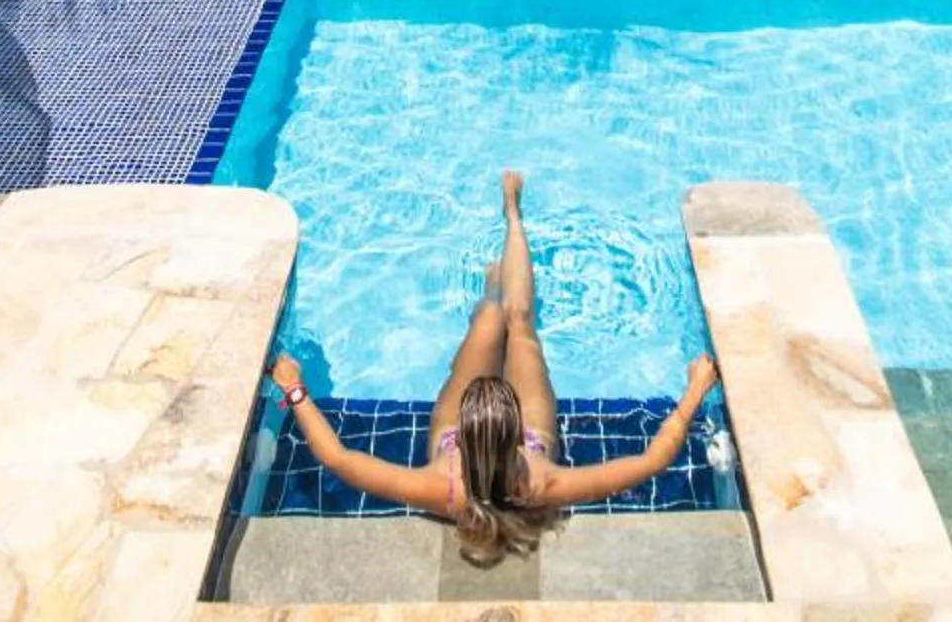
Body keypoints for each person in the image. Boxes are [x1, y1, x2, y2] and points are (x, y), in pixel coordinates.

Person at [265, 171, 720, 566]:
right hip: (536, 433)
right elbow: (652, 461)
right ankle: (513, 219)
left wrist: (296, 390)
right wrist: (696, 390)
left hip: (466, 441)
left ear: (462, 429)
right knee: (518, 321)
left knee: (489, 318)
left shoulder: (439, 487)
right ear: (514, 431)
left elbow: (340, 459)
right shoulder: (542, 481)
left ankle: (502, 250)